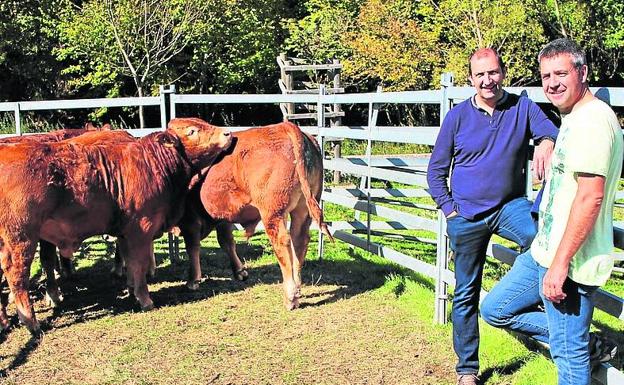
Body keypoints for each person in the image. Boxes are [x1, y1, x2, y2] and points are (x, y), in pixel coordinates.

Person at [481, 38, 623, 385]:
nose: (552, 83)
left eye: (561, 73)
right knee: (495, 308)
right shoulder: (574, 117)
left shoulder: (593, 123)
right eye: (545, 76)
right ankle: (589, 341)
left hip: (569, 260)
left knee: (567, 354)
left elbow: (590, 198)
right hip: (544, 251)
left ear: (583, 73)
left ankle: (578, 341)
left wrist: (560, 265)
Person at [427, 47, 558, 385]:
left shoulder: (521, 107)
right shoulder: (457, 117)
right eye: (480, 74)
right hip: (466, 215)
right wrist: (450, 211)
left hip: (508, 206)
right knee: (466, 291)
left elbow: (552, 131)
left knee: (540, 239)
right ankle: (467, 369)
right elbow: (435, 171)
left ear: (503, 73)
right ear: (471, 79)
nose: (488, 80)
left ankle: (531, 298)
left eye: (493, 72)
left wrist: (545, 141)